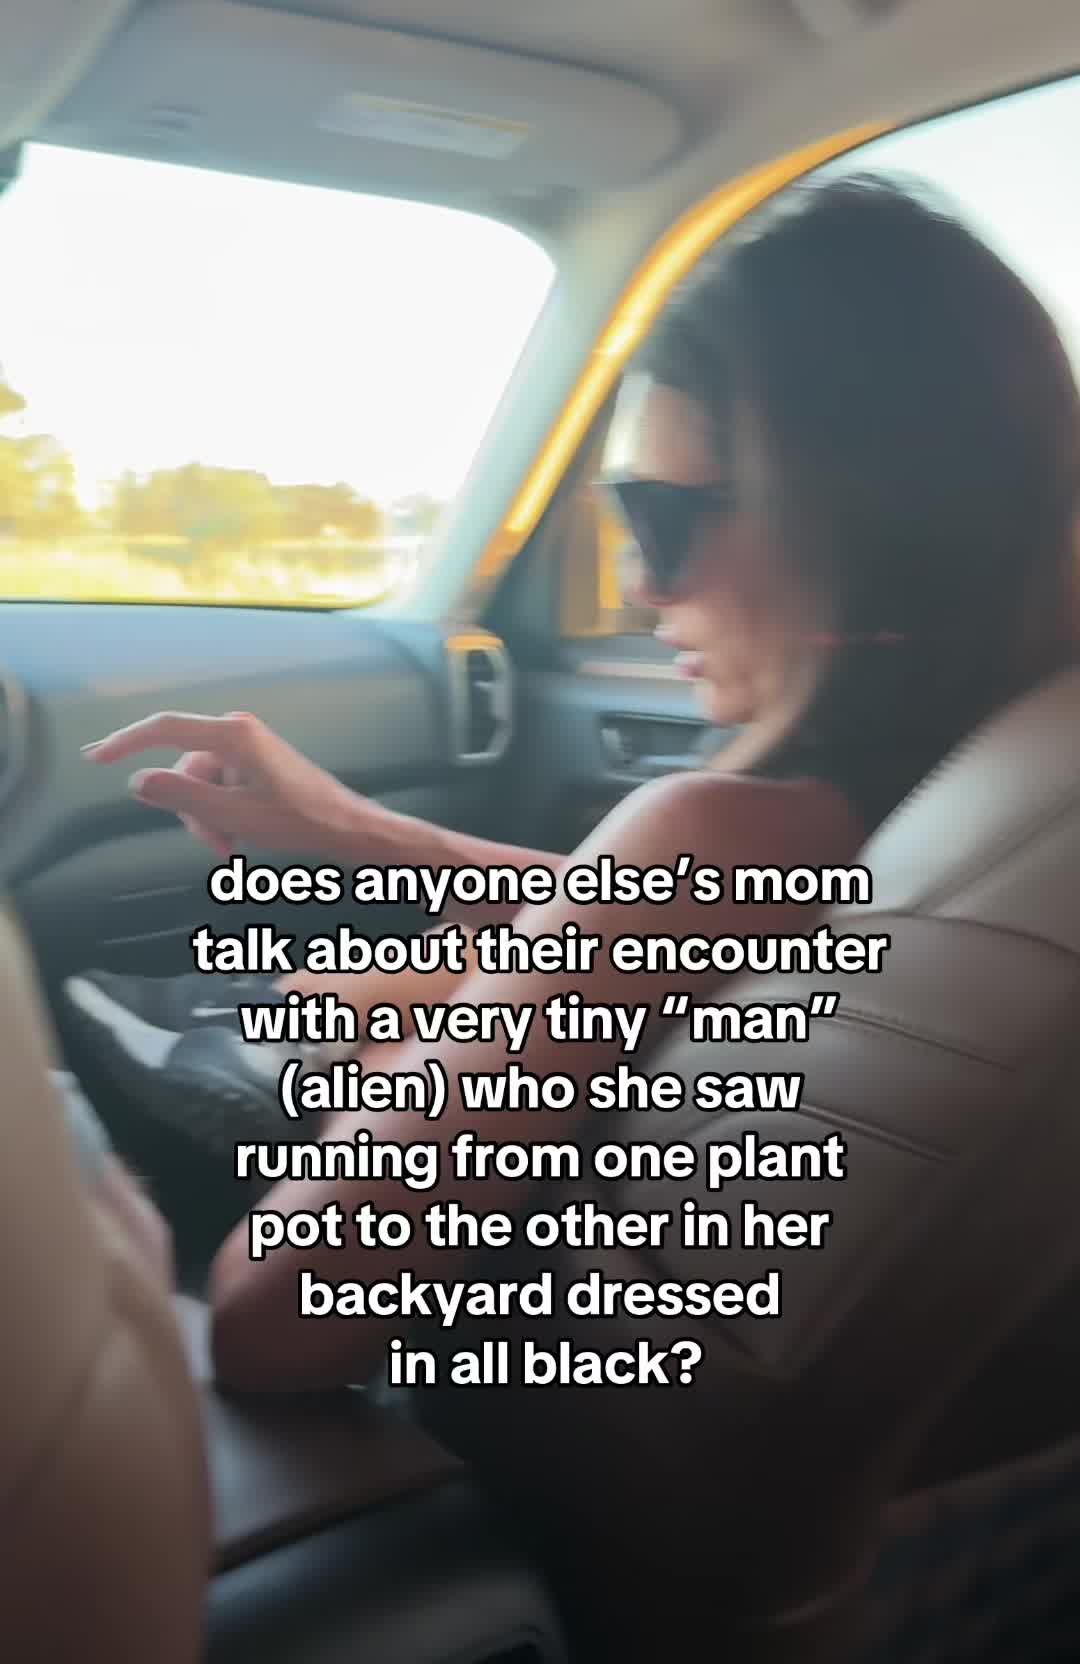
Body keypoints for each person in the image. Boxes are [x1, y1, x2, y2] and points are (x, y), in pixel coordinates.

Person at [66, 172, 1080, 1393]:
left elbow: (270, 1322)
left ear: (852, 517)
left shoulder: (725, 826)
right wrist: (360, 831)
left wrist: (388, 1066)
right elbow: (695, 927)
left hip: (479, 1433)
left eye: (663, 517)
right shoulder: (996, 769)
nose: (644, 586)